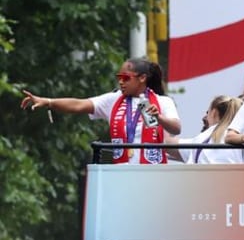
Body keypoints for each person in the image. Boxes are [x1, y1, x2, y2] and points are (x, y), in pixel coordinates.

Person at [21, 57, 180, 164]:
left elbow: (176, 128)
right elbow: (79, 105)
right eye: (119, 78)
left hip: (153, 175)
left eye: (126, 78)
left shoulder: (162, 102)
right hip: (122, 174)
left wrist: (159, 118)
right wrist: (48, 102)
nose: (121, 82)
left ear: (142, 78)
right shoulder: (113, 100)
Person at [168, 95, 242, 164]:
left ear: (214, 112)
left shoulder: (203, 139)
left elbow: (168, 143)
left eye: (207, 112)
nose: (204, 118)